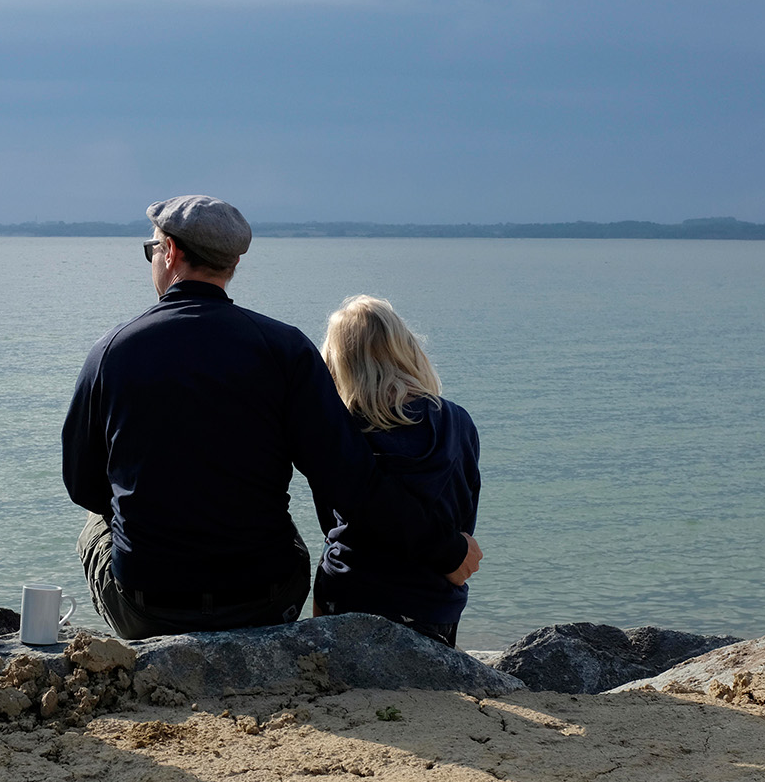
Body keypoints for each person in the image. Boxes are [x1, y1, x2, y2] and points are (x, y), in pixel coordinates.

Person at [61, 195, 480, 639]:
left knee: (96, 524)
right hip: (264, 602)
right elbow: (353, 482)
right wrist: (446, 549)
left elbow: (82, 484)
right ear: (233, 261)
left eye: (152, 250)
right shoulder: (286, 349)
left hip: (149, 607)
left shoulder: (111, 352)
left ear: (172, 252)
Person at [310, 295, 479, 647]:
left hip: (350, 591)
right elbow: (463, 515)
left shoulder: (341, 433)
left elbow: (332, 521)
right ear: (406, 349)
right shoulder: (457, 422)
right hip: (435, 597)